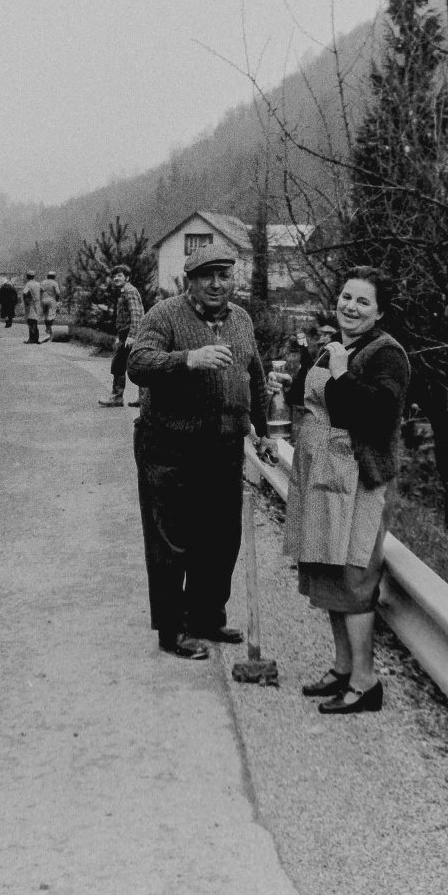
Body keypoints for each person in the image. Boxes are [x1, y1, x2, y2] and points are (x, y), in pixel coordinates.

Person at [127, 241, 278, 660]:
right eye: (206, 276)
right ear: (189, 281)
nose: (216, 284)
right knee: (171, 542)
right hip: (169, 448)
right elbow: (137, 364)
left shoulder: (241, 320)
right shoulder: (164, 315)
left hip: (223, 449)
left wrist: (263, 432)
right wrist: (188, 359)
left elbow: (254, 376)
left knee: (219, 538)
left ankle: (206, 618)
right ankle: (172, 630)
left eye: (223, 275)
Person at [283, 267, 409, 714]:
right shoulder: (334, 345)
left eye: (362, 301)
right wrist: (298, 375)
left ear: (380, 312)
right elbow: (310, 399)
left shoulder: (386, 354)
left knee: (355, 575)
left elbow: (379, 413)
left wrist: (340, 373)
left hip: (362, 479)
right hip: (326, 476)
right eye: (346, 297)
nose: (350, 307)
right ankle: (342, 668)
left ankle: (365, 681)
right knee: (329, 570)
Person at [98, 264, 145, 408]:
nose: (116, 278)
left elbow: (136, 313)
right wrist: (121, 335)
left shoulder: (130, 291)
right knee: (135, 364)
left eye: (119, 276)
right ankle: (143, 399)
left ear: (127, 278)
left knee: (119, 365)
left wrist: (132, 335)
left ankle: (117, 397)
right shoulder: (125, 292)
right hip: (126, 334)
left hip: (131, 335)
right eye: (114, 276)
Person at [41, 269, 61, 340]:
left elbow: (40, 291)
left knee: (45, 314)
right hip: (51, 300)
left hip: (43, 299)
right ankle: (50, 327)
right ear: (54, 276)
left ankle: (47, 327)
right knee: (52, 314)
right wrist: (57, 301)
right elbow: (58, 293)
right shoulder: (55, 283)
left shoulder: (43, 282)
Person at [22, 270, 42, 344]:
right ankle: (36, 339)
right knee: (35, 321)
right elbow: (42, 291)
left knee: (30, 321)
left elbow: (25, 293)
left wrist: (26, 301)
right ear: (34, 276)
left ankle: (31, 338)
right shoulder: (38, 284)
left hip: (31, 304)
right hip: (37, 304)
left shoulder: (28, 284)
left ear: (27, 276)